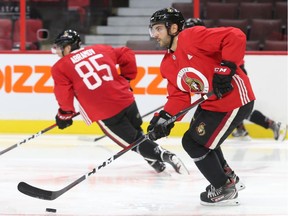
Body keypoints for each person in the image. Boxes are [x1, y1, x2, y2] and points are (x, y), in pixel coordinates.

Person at [147, 8, 256, 206]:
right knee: (197, 139)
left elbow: (235, 35)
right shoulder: (167, 63)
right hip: (212, 102)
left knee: (193, 143)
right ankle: (228, 179)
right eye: (152, 30)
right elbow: (179, 97)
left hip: (234, 100)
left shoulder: (191, 36)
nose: (154, 35)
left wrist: (226, 68)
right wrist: (164, 118)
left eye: (158, 29)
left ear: (173, 28)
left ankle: (224, 187)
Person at [50, 29, 189, 175]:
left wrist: (64, 115)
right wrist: (127, 78)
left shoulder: (60, 67)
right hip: (126, 100)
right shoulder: (100, 49)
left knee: (133, 143)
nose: (58, 52)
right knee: (137, 133)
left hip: (104, 111)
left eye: (59, 48)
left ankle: (164, 155)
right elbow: (126, 53)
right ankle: (153, 160)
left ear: (67, 47)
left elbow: (63, 94)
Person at [185, 18, 287, 142]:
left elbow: (232, 46)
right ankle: (242, 129)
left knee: (233, 105)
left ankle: (271, 124)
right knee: (227, 106)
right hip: (229, 72)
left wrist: (225, 71)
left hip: (232, 73)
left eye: (190, 29)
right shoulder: (199, 42)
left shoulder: (207, 39)